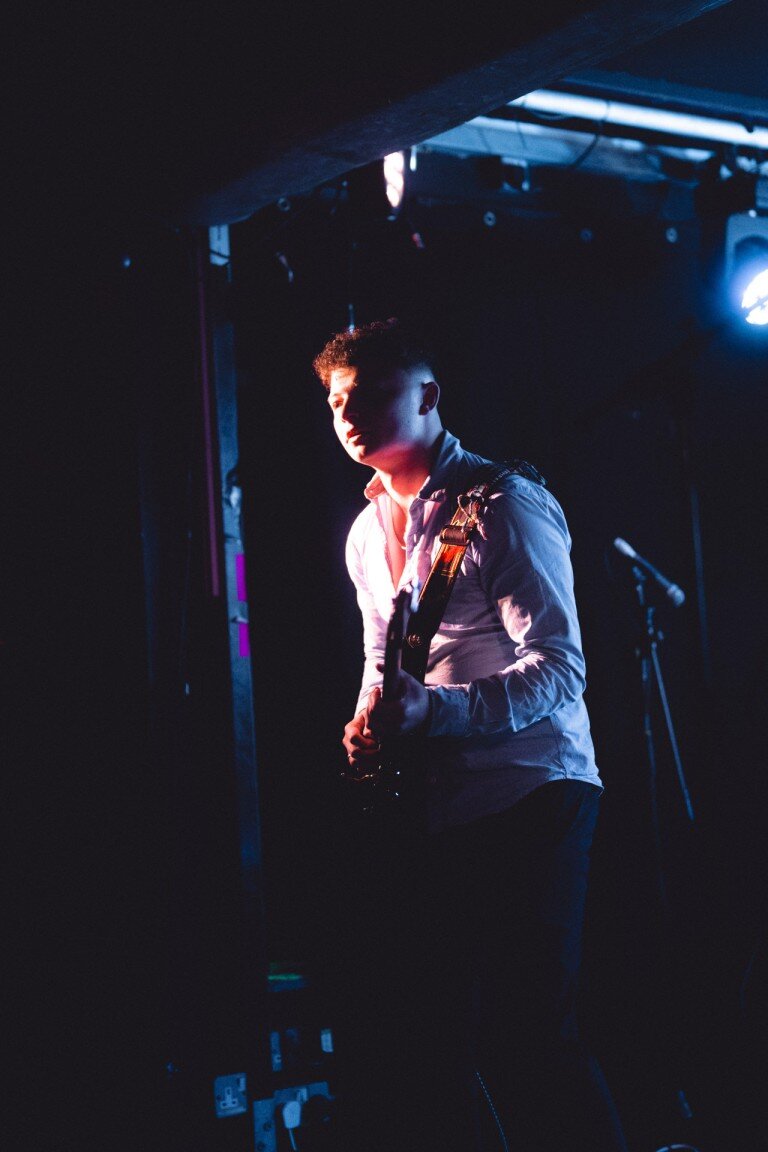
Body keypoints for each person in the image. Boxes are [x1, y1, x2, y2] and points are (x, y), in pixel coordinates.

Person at [313, 318, 628, 1152]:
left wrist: (436, 714)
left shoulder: (504, 503)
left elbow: (561, 668)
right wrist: (367, 721)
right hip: (443, 806)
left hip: (535, 790)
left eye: (371, 394)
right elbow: (389, 664)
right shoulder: (363, 534)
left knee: (533, 1035)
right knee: (437, 1044)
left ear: (428, 397)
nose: (349, 413)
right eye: (338, 399)